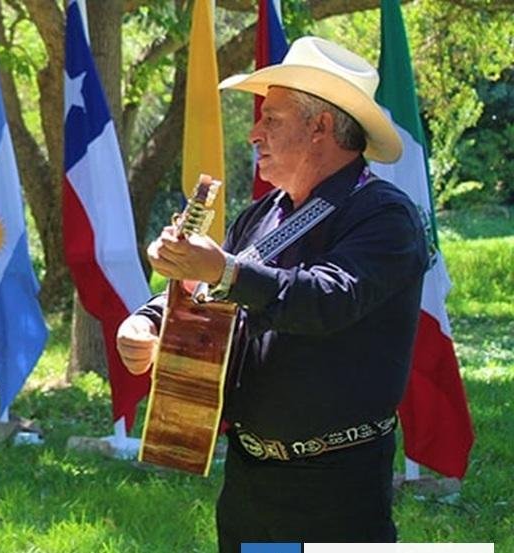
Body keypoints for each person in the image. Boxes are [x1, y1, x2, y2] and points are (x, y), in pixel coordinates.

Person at [115, 37, 429, 550]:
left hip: (336, 486)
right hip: (249, 479)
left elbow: (326, 299)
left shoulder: (384, 215)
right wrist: (148, 320)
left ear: (319, 127)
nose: (254, 133)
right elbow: (210, 289)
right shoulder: (262, 214)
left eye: (271, 119)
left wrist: (225, 270)